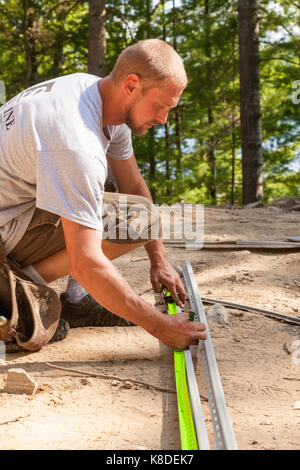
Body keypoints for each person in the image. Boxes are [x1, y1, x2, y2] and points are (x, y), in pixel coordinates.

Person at [0, 38, 206, 351]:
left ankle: (78, 301)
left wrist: (159, 261)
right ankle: (16, 289)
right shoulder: (75, 141)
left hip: (15, 208)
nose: (164, 119)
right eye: (161, 106)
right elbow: (86, 262)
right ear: (132, 85)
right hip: (5, 233)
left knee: (139, 215)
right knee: (106, 195)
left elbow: (134, 187)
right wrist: (161, 327)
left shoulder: (95, 93)